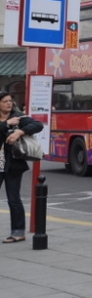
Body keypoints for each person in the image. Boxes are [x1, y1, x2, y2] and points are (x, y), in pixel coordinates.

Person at [0, 91, 43, 243]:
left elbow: (37, 125)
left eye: (10, 101)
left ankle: (18, 232)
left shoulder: (17, 117)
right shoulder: (7, 121)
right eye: (4, 101)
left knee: (14, 199)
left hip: (13, 165)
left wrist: (20, 131)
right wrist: (5, 125)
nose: (8, 103)